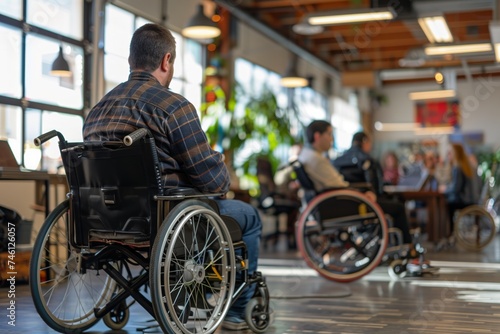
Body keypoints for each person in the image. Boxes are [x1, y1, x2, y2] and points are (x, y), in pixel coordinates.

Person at [82, 23, 262, 331]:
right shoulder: (173, 107)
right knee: (248, 216)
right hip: (165, 221)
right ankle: (236, 309)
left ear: (130, 60)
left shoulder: (97, 111)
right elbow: (213, 182)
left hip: (105, 222)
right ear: (167, 61)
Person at [301, 123, 431, 273]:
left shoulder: (313, 157)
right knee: (397, 207)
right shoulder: (317, 159)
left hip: (335, 203)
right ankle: (408, 251)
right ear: (317, 136)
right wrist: (363, 193)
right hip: (345, 204)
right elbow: (339, 186)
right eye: (329, 134)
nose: (331, 139)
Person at [440, 143, 482, 241]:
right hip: (474, 201)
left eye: (450, 153)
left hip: (464, 202)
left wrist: (445, 189)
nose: (448, 155)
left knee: (446, 205)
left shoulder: (458, 167)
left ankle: (449, 234)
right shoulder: (469, 166)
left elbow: (456, 189)